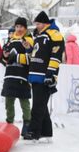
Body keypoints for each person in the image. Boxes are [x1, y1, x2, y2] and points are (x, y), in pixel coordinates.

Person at [24, 11, 63, 142]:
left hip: (44, 76)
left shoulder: (54, 35)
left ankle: (33, 132)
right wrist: (29, 48)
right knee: (41, 105)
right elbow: (36, 55)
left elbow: (56, 56)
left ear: (45, 23)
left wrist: (51, 74)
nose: (36, 25)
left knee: (37, 106)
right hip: (35, 76)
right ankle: (46, 132)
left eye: (38, 23)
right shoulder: (39, 36)